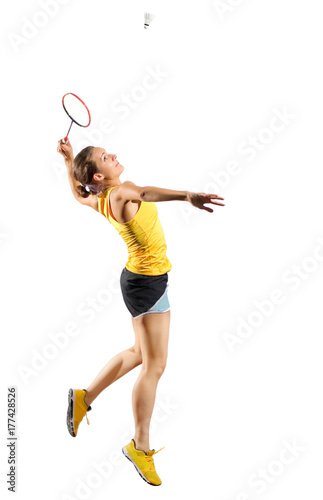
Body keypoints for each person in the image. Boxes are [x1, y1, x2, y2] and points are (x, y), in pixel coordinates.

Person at [57, 139, 225, 486]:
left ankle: (83, 398)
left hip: (144, 281)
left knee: (139, 353)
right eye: (107, 157)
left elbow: (78, 193)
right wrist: (186, 195)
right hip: (146, 284)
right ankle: (139, 445)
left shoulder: (101, 197)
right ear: (101, 175)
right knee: (155, 365)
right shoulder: (122, 192)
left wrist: (70, 160)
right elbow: (145, 193)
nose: (114, 155)